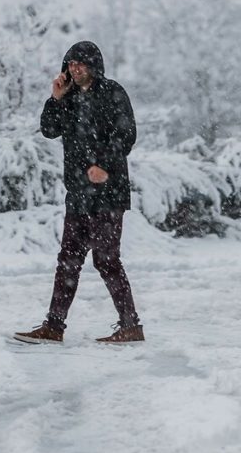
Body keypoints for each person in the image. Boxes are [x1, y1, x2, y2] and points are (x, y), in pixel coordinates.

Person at [14, 41, 144, 345]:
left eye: (80, 64)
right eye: (71, 63)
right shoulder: (68, 98)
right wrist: (55, 99)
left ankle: (131, 326)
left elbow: (127, 135)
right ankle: (54, 327)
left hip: (109, 194)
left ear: (94, 66)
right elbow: (49, 129)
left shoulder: (113, 92)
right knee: (68, 261)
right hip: (78, 194)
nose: (75, 68)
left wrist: (105, 166)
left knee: (106, 260)